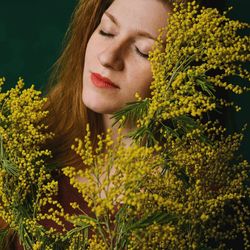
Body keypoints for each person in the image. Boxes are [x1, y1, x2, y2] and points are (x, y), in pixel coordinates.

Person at [1, 0, 177, 249]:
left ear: (183, 76)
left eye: (143, 50)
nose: (108, 57)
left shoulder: (186, 204)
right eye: (106, 30)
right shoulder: (30, 132)